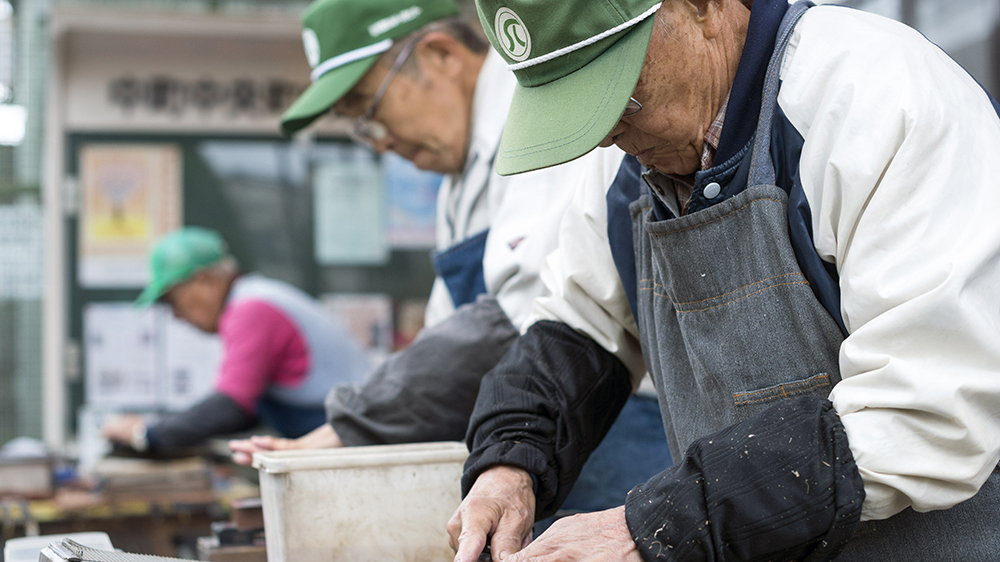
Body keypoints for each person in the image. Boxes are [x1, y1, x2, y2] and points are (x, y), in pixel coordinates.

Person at [449, 0, 1000, 560]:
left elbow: (927, 415)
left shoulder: (877, 98)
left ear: (702, 9)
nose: (605, 134)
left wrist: (658, 526)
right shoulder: (628, 161)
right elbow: (579, 327)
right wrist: (510, 460)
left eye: (616, 93)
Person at [227, 0, 671, 522]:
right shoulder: (456, 183)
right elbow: (449, 329)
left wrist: (346, 430)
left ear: (440, 54)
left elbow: (519, 318)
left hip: (620, 431)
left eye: (370, 110)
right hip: (538, 446)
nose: (380, 142)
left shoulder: (534, 113)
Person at [102, 227, 371, 454]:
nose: (176, 315)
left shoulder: (249, 308)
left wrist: (147, 435)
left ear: (204, 280)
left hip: (358, 439)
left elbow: (231, 405)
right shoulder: (255, 296)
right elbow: (243, 409)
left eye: (173, 300)